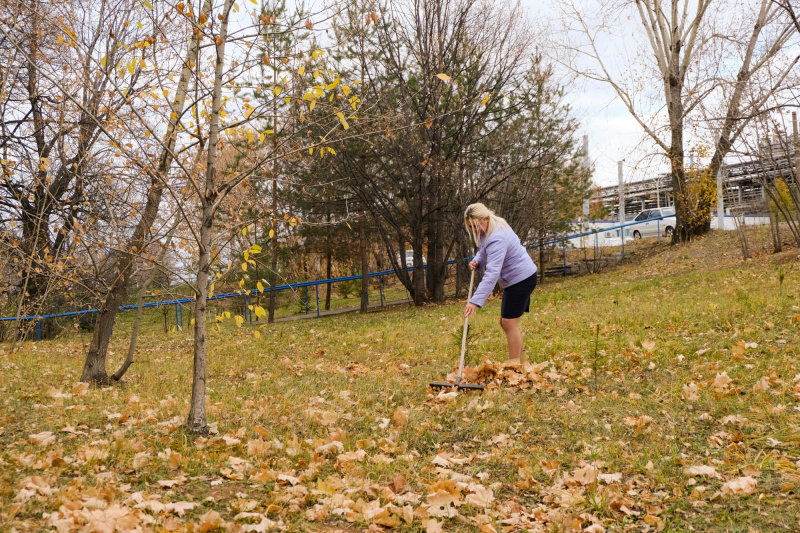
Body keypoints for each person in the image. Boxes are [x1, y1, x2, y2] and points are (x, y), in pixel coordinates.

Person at [463, 203, 538, 364]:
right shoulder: (489, 228)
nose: (474, 230)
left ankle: (514, 366)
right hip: (516, 279)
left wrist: (474, 301)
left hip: (521, 279)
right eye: (470, 227)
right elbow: (484, 251)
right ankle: (520, 360)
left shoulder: (497, 237)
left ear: (486, 218)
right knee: (506, 322)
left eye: (476, 226)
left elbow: (492, 273)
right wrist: (478, 260)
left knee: (509, 323)